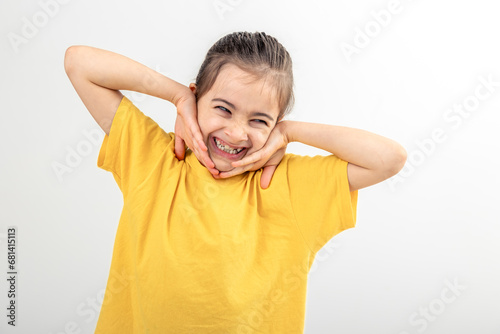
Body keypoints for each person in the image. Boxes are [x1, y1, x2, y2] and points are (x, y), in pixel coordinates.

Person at [64, 31, 407, 334]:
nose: (236, 132)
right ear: (198, 99)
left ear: (274, 125)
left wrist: (292, 132)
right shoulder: (157, 159)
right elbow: (79, 63)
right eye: (223, 109)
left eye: (259, 120)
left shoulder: (285, 184)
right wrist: (178, 96)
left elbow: (389, 158)